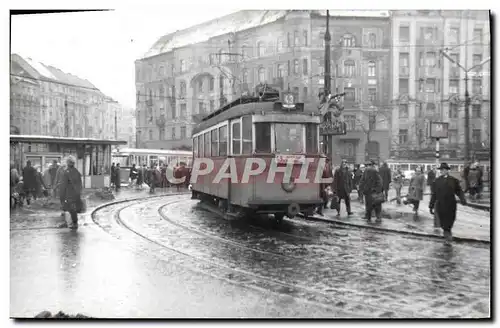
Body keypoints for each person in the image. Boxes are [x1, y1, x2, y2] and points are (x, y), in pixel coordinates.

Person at [429, 162, 466, 244]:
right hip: (441, 205)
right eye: (441, 170)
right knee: (443, 221)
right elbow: (434, 195)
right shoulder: (437, 181)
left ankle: (447, 233)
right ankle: (447, 235)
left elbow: (459, 191)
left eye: (444, 170)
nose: (442, 171)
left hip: (451, 204)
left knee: (450, 220)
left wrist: (463, 199)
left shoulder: (453, 180)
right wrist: (431, 206)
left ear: (447, 170)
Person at [59, 156, 83, 230]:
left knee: (69, 209)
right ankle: (73, 223)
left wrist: (61, 196)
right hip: (76, 194)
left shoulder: (66, 172)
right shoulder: (77, 172)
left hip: (69, 194)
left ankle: (73, 223)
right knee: (73, 209)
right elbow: (80, 184)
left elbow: (63, 185)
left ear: (68, 163)